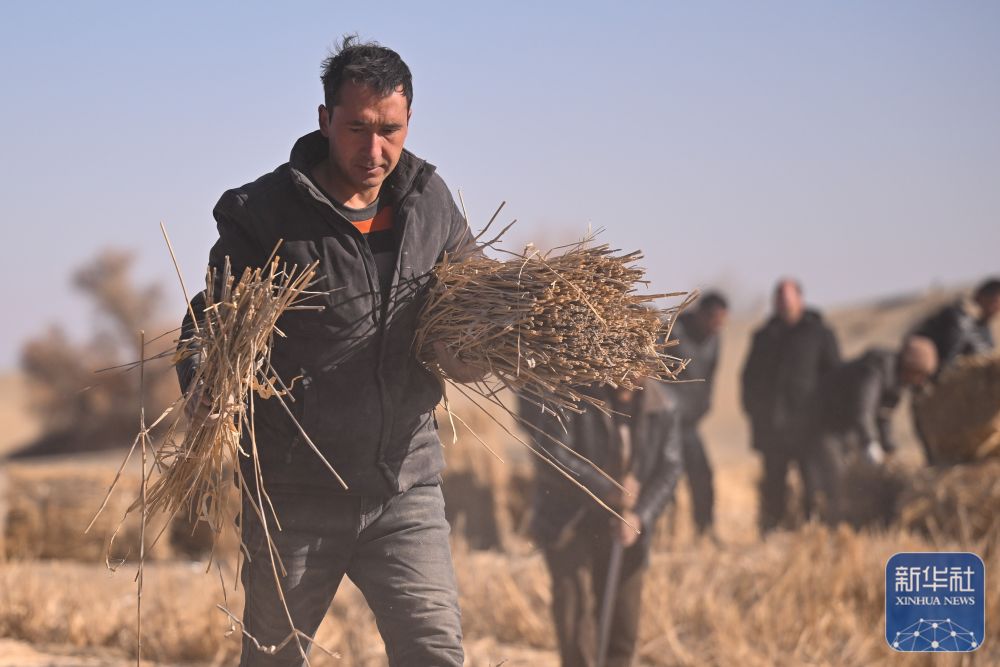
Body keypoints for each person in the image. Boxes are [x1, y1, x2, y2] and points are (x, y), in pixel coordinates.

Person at [176, 37, 479, 667]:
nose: (375, 151)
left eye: (390, 131)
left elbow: (471, 306)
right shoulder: (262, 214)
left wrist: (478, 350)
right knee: (274, 659)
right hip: (294, 494)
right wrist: (207, 386)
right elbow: (209, 326)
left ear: (409, 121)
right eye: (357, 129)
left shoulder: (431, 202)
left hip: (404, 486)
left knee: (434, 651)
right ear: (323, 120)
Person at [521, 381, 683, 667]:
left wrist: (640, 515)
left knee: (623, 620)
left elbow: (669, 469)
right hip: (569, 519)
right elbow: (550, 452)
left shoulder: (663, 406)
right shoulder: (571, 392)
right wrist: (604, 487)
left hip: (626, 525)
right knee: (575, 615)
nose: (626, 379)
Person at [740, 279, 840, 534]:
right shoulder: (763, 337)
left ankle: (812, 531)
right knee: (773, 485)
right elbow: (748, 379)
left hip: (809, 427)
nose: (783, 304)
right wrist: (755, 413)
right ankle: (771, 532)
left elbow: (835, 377)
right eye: (779, 299)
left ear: (800, 300)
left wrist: (827, 418)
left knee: (813, 483)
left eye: (788, 298)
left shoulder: (820, 334)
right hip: (772, 427)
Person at [802, 337, 938, 523]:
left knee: (852, 475)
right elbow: (863, 411)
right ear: (910, 368)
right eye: (919, 375)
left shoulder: (895, 381)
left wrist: (889, 450)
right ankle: (827, 523)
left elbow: (883, 417)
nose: (920, 381)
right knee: (836, 475)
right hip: (824, 423)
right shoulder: (874, 371)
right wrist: (870, 443)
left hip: (845, 427)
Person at [668, 291, 728, 536]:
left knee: (702, 476)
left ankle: (705, 531)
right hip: (664, 422)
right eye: (714, 320)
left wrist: (705, 404)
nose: (718, 326)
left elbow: (710, 377)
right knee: (665, 479)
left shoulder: (715, 339)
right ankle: (664, 534)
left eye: (722, 321)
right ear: (701, 314)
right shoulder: (672, 332)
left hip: (689, 423)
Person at [911, 278, 1000, 373]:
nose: (997, 309)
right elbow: (949, 359)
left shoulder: (982, 324)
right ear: (981, 297)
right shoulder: (960, 318)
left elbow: (988, 351)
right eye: (995, 302)